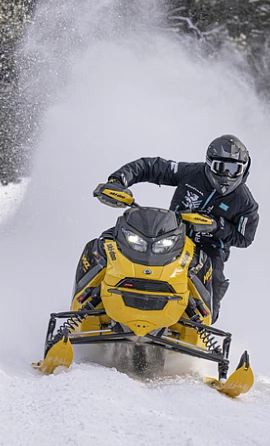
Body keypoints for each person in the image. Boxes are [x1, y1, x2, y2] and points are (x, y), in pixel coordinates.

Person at [97, 135, 259, 321]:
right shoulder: (192, 173)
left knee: (213, 279)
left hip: (209, 247)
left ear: (244, 169)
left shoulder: (246, 203)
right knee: (106, 243)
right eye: (221, 167)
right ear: (209, 163)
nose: (227, 176)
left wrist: (216, 226)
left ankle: (200, 328)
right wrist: (117, 181)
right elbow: (151, 166)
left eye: (234, 169)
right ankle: (90, 303)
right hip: (171, 234)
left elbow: (245, 238)